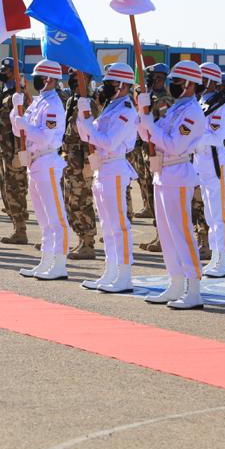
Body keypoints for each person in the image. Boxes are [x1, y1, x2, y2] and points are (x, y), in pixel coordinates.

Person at [137, 61, 206, 309]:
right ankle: (175, 282)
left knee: (182, 232)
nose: (171, 86)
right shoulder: (176, 108)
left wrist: (151, 127)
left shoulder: (193, 112)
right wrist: (142, 117)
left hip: (178, 171)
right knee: (166, 235)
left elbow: (174, 144)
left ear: (189, 84)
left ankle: (194, 288)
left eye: (176, 82)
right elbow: (150, 137)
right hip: (163, 173)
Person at [77, 62, 138, 292]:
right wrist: (82, 118)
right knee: (107, 225)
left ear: (122, 85)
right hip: (102, 168)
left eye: (110, 83)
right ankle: (110, 271)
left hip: (114, 167)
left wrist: (88, 126)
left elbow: (108, 141)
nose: (105, 87)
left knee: (118, 224)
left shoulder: (126, 111)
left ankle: (124, 275)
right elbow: (88, 136)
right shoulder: (111, 107)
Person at [13, 60, 72, 280]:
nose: (34, 80)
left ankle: (59, 264)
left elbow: (45, 137)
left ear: (48, 79)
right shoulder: (38, 103)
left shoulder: (53, 106)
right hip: (34, 163)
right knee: (43, 218)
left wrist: (24, 125)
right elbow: (19, 131)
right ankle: (45, 261)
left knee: (56, 217)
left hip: (47, 161)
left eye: (38, 75)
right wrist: (15, 109)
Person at [195, 62, 225, 278]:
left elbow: (217, 135)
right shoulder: (202, 102)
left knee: (220, 214)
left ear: (211, 80)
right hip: (202, 163)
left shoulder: (219, 106)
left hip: (216, 161)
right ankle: (215, 256)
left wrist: (192, 138)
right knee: (210, 214)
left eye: (202, 78)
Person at [62, 68, 100, 260]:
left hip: (81, 162)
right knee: (71, 202)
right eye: (72, 76)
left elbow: (90, 136)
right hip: (70, 161)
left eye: (77, 76)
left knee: (82, 202)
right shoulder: (72, 101)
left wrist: (88, 163)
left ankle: (88, 243)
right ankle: (80, 239)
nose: (73, 79)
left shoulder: (89, 104)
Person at [136, 63, 173, 252]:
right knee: (150, 194)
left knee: (160, 194)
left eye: (159, 78)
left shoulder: (165, 99)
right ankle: (159, 234)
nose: (155, 81)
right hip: (145, 149)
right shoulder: (146, 96)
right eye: (152, 78)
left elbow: (163, 124)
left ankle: (165, 237)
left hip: (157, 150)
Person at [0, 57, 30, 245]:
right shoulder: (5, 93)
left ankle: (21, 230)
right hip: (3, 149)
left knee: (16, 190)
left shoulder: (19, 94)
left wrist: (19, 152)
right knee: (6, 190)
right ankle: (16, 226)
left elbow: (22, 126)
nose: (3, 72)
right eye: (3, 69)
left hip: (14, 150)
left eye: (7, 70)